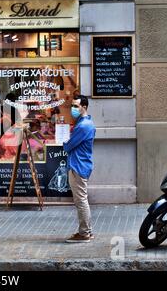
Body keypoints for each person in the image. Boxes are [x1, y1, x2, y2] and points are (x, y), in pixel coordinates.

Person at [63, 94, 96, 243]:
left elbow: (69, 146)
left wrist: (64, 143)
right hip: (82, 164)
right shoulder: (86, 123)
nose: (73, 109)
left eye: (76, 106)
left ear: (84, 107)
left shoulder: (83, 126)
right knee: (82, 199)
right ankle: (87, 231)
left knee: (81, 200)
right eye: (72, 106)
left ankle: (84, 234)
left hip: (78, 165)